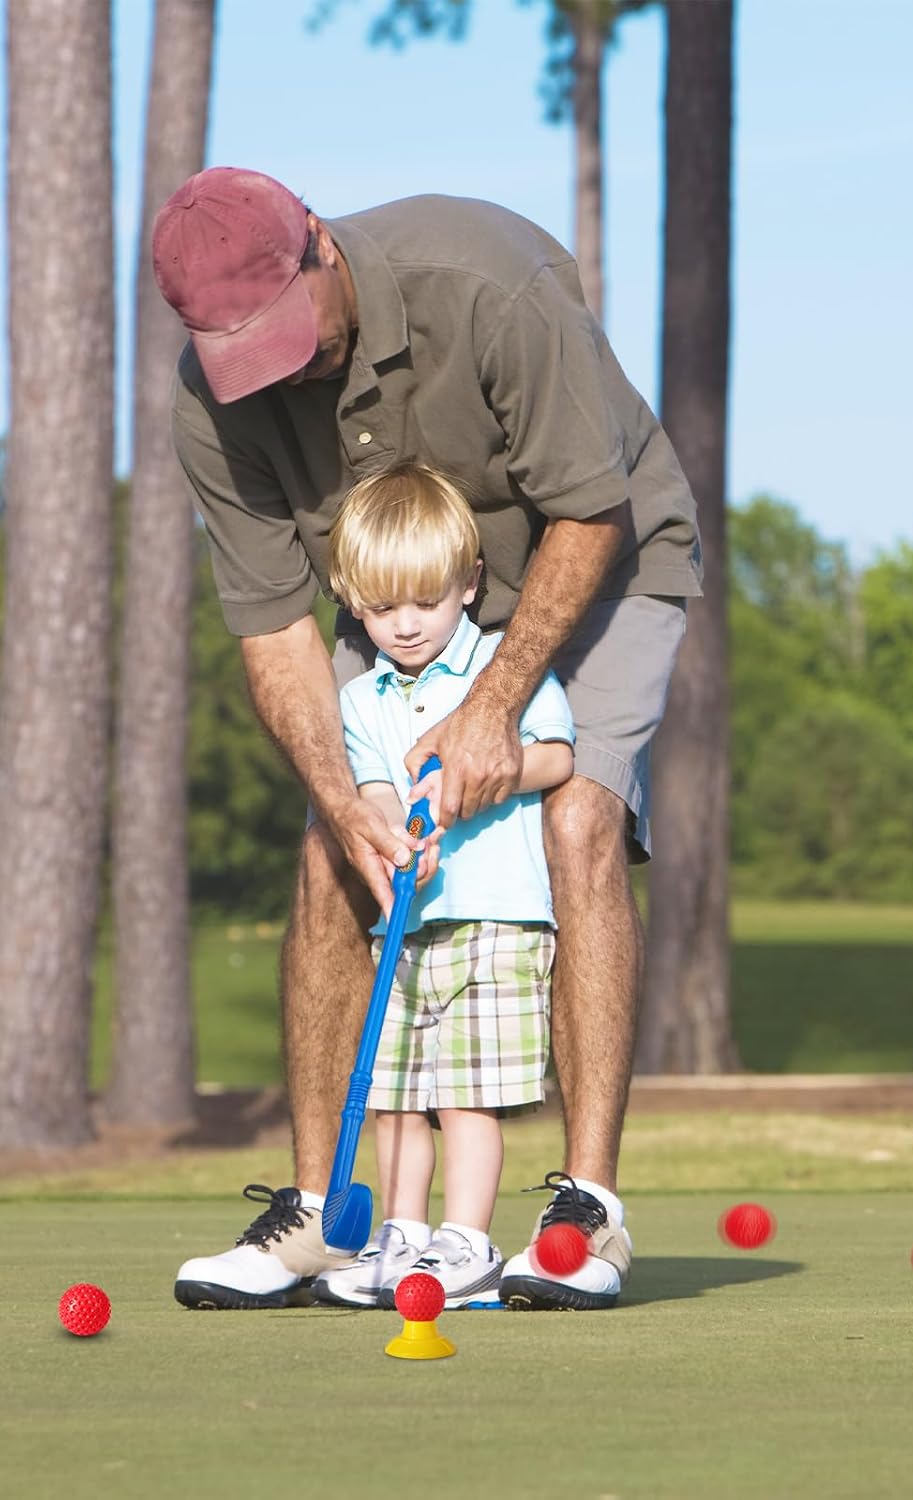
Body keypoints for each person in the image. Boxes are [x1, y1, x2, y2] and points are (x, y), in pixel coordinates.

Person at [158, 167, 698, 1311]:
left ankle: (586, 1212)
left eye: (286, 339)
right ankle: (318, 1216)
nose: (279, 373)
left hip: (598, 562)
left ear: (317, 244)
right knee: (332, 853)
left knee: (581, 816)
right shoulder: (210, 399)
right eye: (241, 356)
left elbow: (589, 514)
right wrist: (342, 798)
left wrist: (496, 702)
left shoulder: (492, 284)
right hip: (397, 607)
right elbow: (274, 629)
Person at [305, 463, 572, 1310]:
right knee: (393, 1100)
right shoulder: (362, 701)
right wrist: (390, 832)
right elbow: (375, 790)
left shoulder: (500, 667)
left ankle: (467, 1243)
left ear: (469, 583)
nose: (407, 625)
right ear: (353, 601)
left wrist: (480, 776)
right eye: (383, 609)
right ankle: (401, 1235)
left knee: (466, 1098)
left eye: (425, 602)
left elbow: (557, 756)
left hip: (496, 923)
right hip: (407, 927)